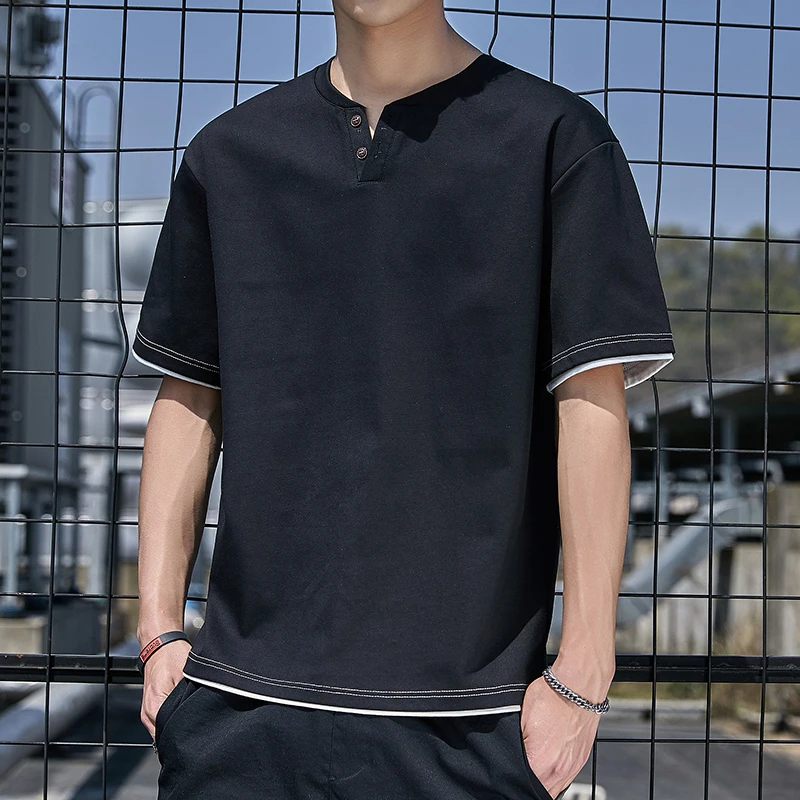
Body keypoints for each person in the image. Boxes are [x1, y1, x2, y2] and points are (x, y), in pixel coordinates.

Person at [133, 1, 675, 798]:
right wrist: (156, 635)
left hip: (471, 721)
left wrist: (584, 671)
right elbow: (187, 397)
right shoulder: (231, 153)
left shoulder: (555, 139)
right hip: (239, 711)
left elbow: (591, 405)